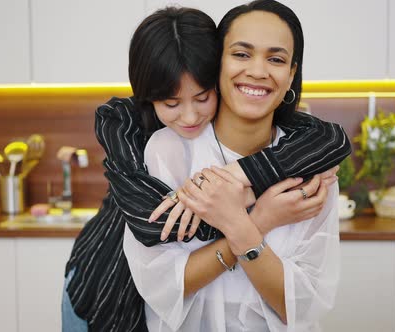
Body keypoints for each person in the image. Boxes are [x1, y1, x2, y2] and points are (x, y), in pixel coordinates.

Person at [63, 4, 350, 332]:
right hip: (100, 289)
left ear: (291, 75)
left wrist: (236, 196)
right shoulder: (161, 146)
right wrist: (256, 221)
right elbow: (162, 284)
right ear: (217, 65)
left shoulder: (313, 160)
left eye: (276, 58)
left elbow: (303, 307)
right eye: (242, 54)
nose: (258, 70)